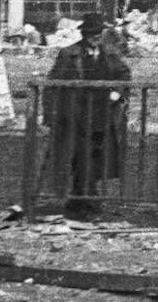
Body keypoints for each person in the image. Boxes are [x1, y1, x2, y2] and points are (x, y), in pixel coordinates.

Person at [45, 14, 130, 216]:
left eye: (97, 33)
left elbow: (124, 74)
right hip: (77, 114)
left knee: (97, 157)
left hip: (103, 113)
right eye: (91, 33)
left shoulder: (110, 53)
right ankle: (87, 199)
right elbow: (53, 83)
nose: (94, 36)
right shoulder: (69, 54)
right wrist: (51, 114)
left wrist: (116, 94)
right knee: (80, 156)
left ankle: (80, 198)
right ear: (84, 33)